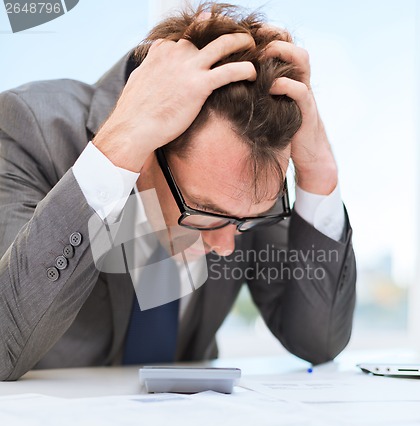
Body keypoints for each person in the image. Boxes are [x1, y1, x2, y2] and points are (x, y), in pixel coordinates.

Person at [0, 2, 356, 381]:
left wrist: (319, 173)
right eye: (204, 211)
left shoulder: (245, 193)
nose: (225, 245)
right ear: (153, 146)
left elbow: (318, 342)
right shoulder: (29, 128)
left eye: (246, 221)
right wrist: (120, 145)